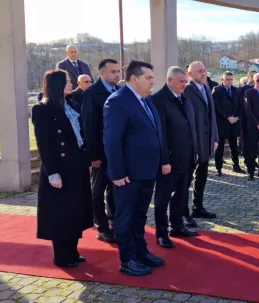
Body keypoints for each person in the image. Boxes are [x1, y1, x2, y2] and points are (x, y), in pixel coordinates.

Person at [103, 60, 165, 276]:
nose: (152, 82)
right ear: (133, 78)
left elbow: (155, 132)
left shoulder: (146, 100)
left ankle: (141, 251)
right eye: (148, 78)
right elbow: (112, 141)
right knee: (125, 217)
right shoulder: (118, 101)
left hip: (146, 171)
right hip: (128, 175)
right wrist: (118, 173)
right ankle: (127, 259)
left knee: (139, 216)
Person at [32, 69, 93, 268]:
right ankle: (62, 256)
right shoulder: (42, 108)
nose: (70, 84)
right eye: (66, 81)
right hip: (60, 170)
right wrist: (53, 173)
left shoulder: (71, 104)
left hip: (76, 168)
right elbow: (44, 144)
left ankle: (73, 252)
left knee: (75, 212)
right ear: (56, 84)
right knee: (61, 214)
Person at [152, 66, 199, 249]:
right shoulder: (158, 99)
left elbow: (190, 126)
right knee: (163, 197)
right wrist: (164, 160)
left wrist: (195, 150)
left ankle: (177, 226)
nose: (184, 85)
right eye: (180, 82)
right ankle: (161, 233)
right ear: (169, 80)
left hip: (186, 157)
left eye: (185, 82)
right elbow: (160, 133)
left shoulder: (184, 98)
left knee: (181, 194)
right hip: (169, 160)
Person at [81, 58, 121, 244]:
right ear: (102, 73)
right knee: (97, 191)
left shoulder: (119, 92)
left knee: (114, 188)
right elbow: (89, 125)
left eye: (118, 71)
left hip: (116, 152)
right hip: (100, 154)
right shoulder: (92, 93)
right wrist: (93, 155)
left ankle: (113, 221)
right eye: (112, 71)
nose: (116, 75)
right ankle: (102, 227)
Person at [183, 61, 219, 221]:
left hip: (207, 142)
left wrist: (215, 137)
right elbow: (187, 120)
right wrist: (194, 144)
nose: (203, 73)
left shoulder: (206, 88)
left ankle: (198, 207)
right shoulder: (186, 90)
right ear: (190, 74)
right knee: (186, 179)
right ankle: (183, 213)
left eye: (204, 70)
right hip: (193, 143)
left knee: (202, 175)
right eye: (199, 71)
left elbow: (212, 115)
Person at [213, 71, 245, 175]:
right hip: (222, 123)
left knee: (234, 147)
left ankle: (236, 166)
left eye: (231, 79)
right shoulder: (217, 90)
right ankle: (218, 168)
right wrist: (227, 117)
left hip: (234, 123)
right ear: (222, 80)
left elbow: (241, 106)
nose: (229, 81)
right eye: (227, 79)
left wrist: (236, 117)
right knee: (220, 148)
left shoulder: (236, 90)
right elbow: (216, 107)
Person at [238, 71, 257, 158]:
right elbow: (240, 103)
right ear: (249, 77)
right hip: (245, 117)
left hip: (256, 118)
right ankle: (243, 152)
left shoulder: (258, 88)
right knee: (244, 136)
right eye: (252, 76)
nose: (254, 79)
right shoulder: (243, 88)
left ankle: (252, 155)